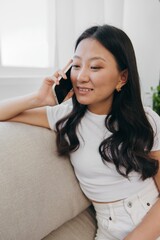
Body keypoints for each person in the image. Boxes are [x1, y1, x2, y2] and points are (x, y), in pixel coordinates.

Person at [0, 24, 160, 240]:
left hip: (151, 222)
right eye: (76, 65)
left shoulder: (147, 121)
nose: (81, 77)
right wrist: (38, 99)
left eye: (95, 67)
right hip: (108, 229)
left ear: (122, 78)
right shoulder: (64, 117)